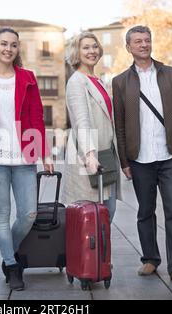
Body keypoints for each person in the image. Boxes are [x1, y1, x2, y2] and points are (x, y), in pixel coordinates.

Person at [112, 25, 172, 286]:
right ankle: (150, 259)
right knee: (145, 211)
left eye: (147, 40)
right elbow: (120, 124)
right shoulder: (120, 81)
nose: (144, 45)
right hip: (139, 159)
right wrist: (124, 160)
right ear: (129, 47)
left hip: (169, 154)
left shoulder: (170, 74)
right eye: (137, 41)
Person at [0, 28, 53, 291]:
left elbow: (36, 117)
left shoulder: (27, 78)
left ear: (17, 49)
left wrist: (44, 151)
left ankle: (7, 250)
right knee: (1, 214)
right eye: (3, 44)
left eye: (13, 45)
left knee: (29, 214)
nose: (8, 49)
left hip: (25, 156)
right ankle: (11, 265)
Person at [61, 32, 121, 221]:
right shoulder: (77, 81)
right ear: (77, 52)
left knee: (107, 212)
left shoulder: (98, 81)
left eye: (94, 46)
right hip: (88, 158)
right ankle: (87, 252)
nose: (92, 51)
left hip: (105, 156)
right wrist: (90, 155)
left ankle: (100, 251)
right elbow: (81, 120)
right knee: (92, 216)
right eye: (86, 47)